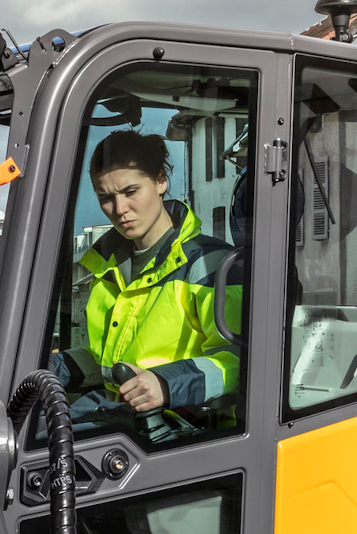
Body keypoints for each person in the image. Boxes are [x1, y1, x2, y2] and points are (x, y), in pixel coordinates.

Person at [55, 130, 240, 440]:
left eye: (131, 191)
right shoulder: (106, 269)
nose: (120, 208)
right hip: (119, 416)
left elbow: (239, 361)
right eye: (106, 198)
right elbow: (108, 364)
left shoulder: (210, 264)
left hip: (180, 427)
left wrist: (165, 384)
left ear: (160, 181)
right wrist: (49, 369)